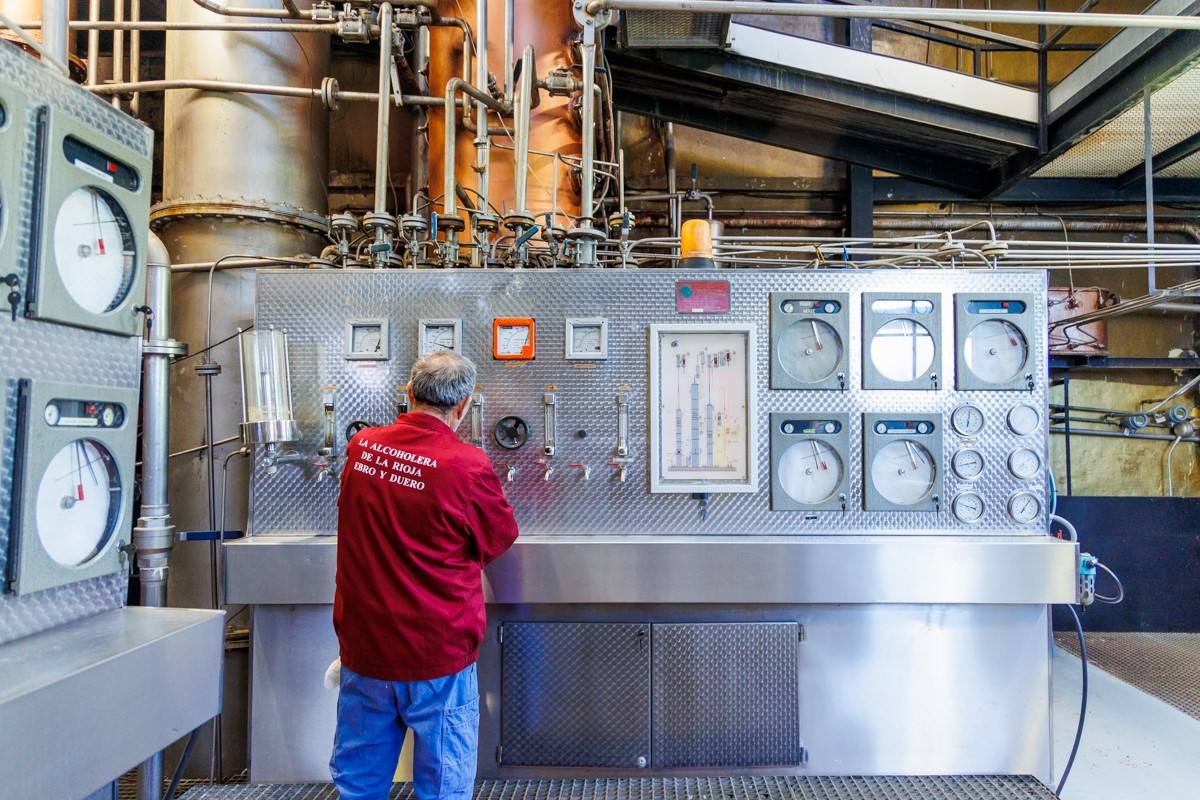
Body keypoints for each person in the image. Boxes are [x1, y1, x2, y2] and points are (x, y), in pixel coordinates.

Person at [330, 351, 519, 800]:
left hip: (367, 647)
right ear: (463, 406)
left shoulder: (364, 448)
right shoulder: (466, 465)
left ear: (409, 394)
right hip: (437, 654)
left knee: (359, 783)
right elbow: (499, 538)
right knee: (442, 787)